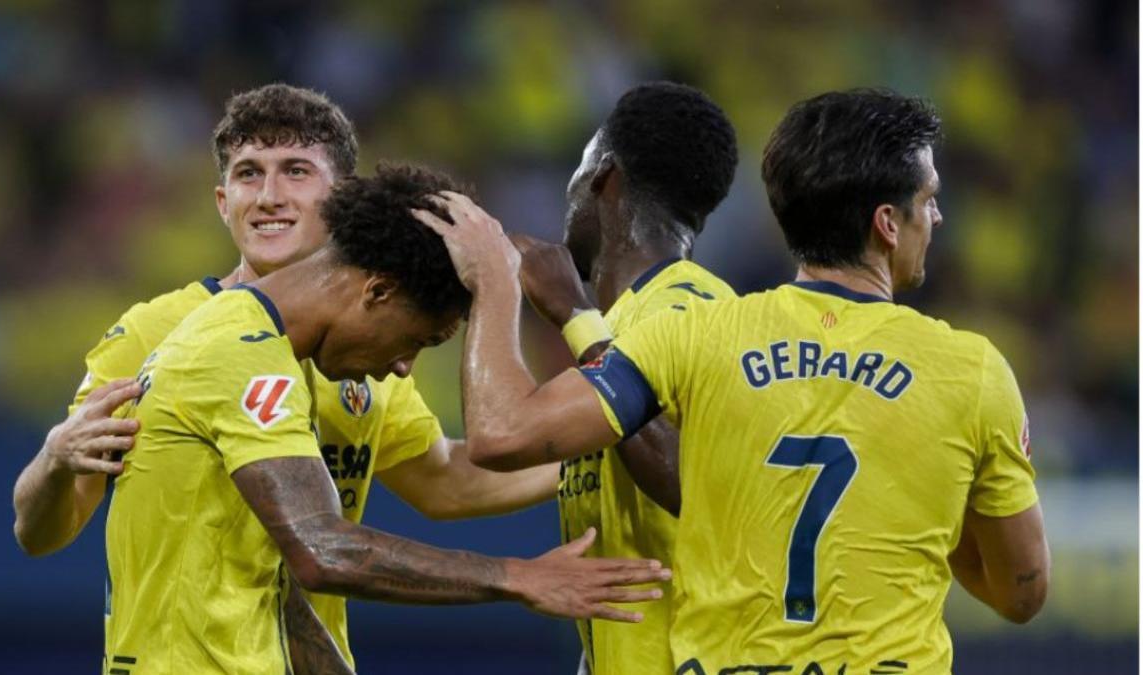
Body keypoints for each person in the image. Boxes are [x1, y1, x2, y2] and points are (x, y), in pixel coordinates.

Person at [414, 88, 1050, 674]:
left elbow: (521, 438)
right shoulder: (970, 370)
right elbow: (1021, 592)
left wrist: (505, 283)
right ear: (887, 223)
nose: (936, 218)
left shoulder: (697, 328)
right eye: (930, 199)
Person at [10, 83, 558, 671]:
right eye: (249, 175)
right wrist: (54, 458)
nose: (269, 196)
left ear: (342, 196)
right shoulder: (157, 332)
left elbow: (447, 481)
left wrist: (598, 441)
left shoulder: (369, 343)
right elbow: (42, 532)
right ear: (223, 203)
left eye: (295, 171)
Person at [102, 163, 669, 675]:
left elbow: (279, 588)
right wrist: (518, 576)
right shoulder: (237, 352)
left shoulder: (268, 353)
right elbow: (322, 551)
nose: (402, 368)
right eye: (418, 340)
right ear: (377, 290)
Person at [509, 81, 737, 675]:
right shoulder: (629, 319)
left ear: (603, 176)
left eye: (578, 168)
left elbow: (700, 484)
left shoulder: (687, 309)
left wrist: (574, 319)